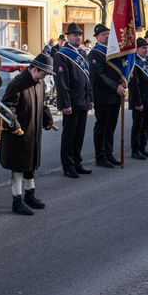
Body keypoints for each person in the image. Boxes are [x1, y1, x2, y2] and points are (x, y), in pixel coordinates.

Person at [0, 53, 55, 215]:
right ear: (35, 69)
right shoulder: (17, 83)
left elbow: (43, 104)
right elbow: (7, 107)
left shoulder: (38, 82)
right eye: (44, 73)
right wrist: (14, 125)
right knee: (18, 167)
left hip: (33, 132)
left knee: (30, 165)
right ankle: (17, 200)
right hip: (18, 134)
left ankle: (30, 195)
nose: (45, 77)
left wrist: (48, 120)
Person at [54, 22, 93, 178]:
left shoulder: (83, 54)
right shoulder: (61, 55)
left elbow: (88, 79)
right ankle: (68, 165)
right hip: (71, 102)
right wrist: (65, 103)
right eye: (74, 35)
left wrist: (90, 98)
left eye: (79, 34)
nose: (78, 37)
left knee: (79, 135)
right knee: (69, 136)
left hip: (83, 100)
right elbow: (61, 83)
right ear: (68, 37)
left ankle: (77, 162)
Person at [87, 24, 125, 168]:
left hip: (115, 95)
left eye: (108, 34)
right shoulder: (95, 53)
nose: (107, 36)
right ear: (97, 37)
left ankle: (109, 153)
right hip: (103, 96)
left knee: (111, 127)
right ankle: (100, 156)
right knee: (102, 127)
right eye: (103, 34)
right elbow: (100, 76)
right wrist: (116, 86)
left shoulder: (113, 51)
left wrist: (123, 81)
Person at [128, 38, 148, 160]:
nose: (146, 50)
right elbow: (134, 86)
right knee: (137, 126)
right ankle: (135, 150)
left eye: (147, 48)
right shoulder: (135, 63)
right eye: (143, 48)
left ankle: (143, 148)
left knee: (146, 126)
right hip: (140, 101)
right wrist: (138, 102)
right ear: (137, 49)